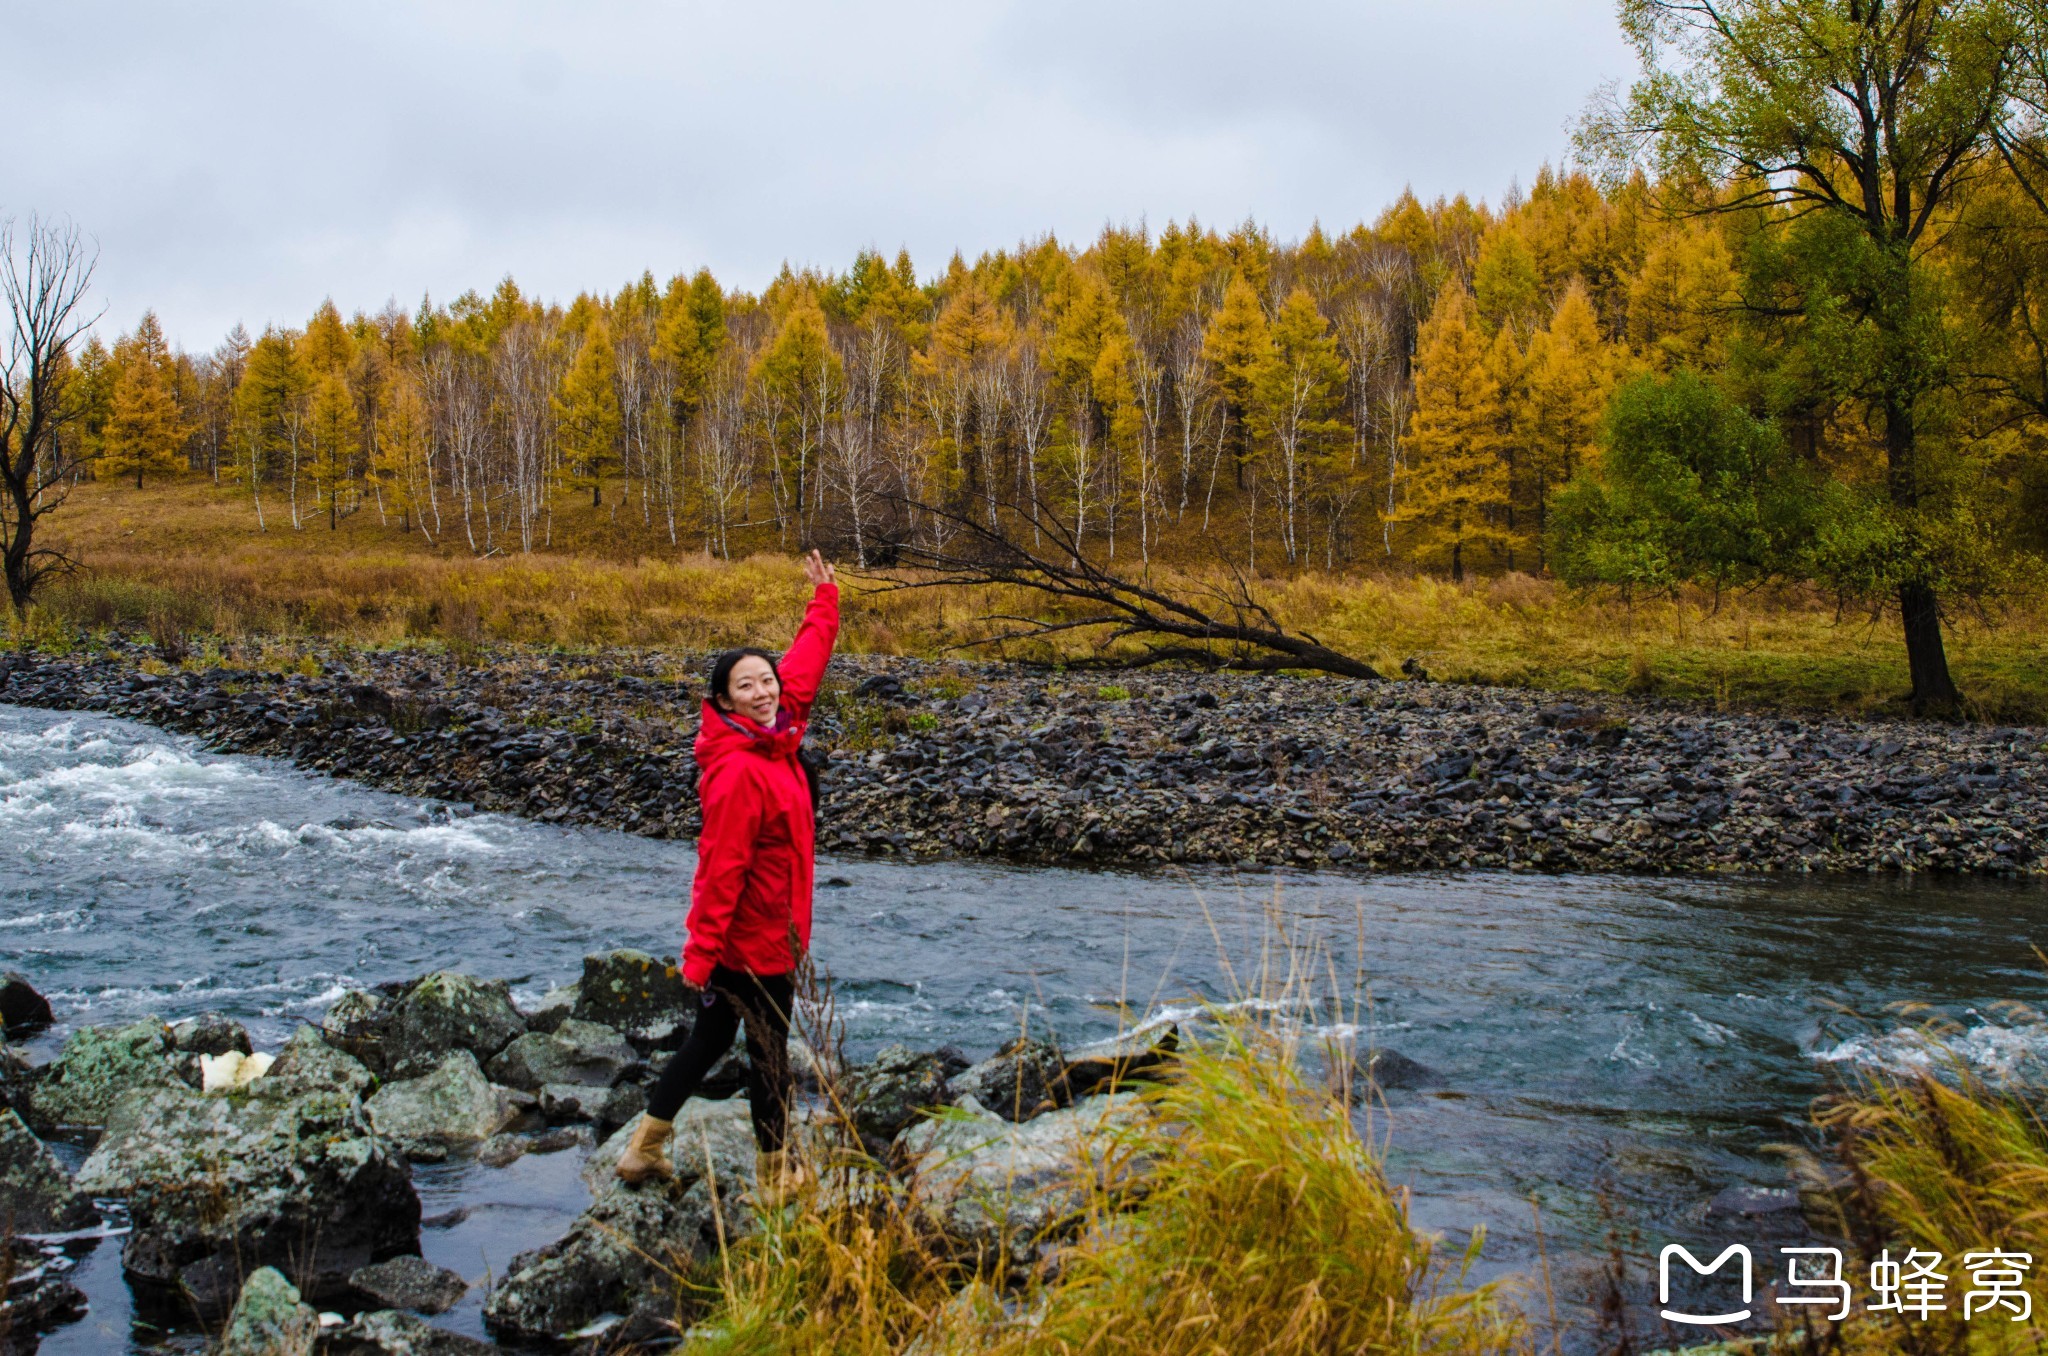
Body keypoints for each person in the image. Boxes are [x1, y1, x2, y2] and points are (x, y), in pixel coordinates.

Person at [616, 549, 838, 1187]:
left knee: (709, 1040)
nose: (765, 691)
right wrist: (701, 953)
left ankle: (644, 1149)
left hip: (768, 929)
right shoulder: (740, 770)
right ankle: (776, 1178)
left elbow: (802, 668)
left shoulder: (774, 727)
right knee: (769, 1057)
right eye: (748, 686)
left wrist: (824, 602)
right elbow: (720, 868)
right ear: (724, 702)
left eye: (766, 680)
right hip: (756, 942)